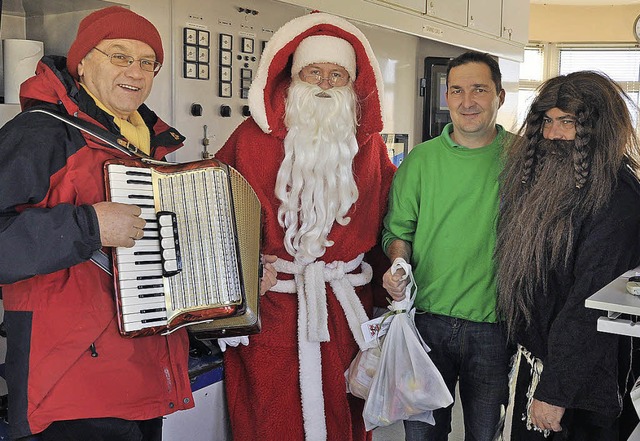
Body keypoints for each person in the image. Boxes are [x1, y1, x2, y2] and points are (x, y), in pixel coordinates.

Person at [0, 6, 276, 441]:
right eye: (119, 55)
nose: (136, 70)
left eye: (148, 62)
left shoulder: (146, 148)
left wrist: (239, 279)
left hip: (145, 377)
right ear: (83, 62)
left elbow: (166, 257)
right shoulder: (41, 134)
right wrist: (89, 226)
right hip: (69, 386)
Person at [214, 11, 396, 441]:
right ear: (292, 78)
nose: (325, 83)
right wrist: (245, 271)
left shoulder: (370, 148)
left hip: (346, 306)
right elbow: (210, 215)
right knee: (271, 416)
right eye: (314, 72)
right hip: (272, 306)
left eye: (337, 75)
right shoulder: (248, 139)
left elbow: (392, 219)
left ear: (354, 85)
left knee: (345, 411)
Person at [495, 71, 640, 440]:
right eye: (547, 121)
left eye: (568, 122)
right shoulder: (548, 183)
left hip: (581, 382)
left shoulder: (616, 197)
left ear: (598, 127)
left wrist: (554, 392)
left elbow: (589, 304)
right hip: (542, 364)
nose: (553, 134)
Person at [381, 51, 513, 441]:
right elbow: (397, 231)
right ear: (446, 97)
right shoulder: (420, 161)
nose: (467, 101)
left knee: (484, 435)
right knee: (422, 436)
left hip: (494, 328)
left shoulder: (523, 160)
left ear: (499, 96)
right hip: (425, 326)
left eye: (479, 90)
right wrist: (398, 267)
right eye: (457, 90)